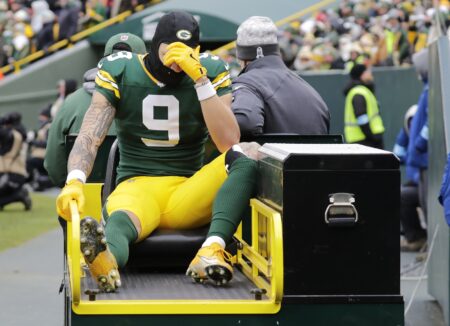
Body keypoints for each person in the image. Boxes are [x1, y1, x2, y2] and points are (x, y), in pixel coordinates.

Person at [55, 11, 258, 292]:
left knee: (245, 154)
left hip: (187, 190)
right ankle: (105, 260)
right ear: (155, 44)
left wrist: (200, 81)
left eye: (186, 52)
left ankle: (211, 249)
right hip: (137, 187)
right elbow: (92, 131)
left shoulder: (208, 70)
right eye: (170, 51)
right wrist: (75, 178)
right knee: (120, 224)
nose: (176, 63)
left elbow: (227, 141)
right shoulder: (122, 69)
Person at [44, 32, 147, 188]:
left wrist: (72, 185)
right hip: (139, 200)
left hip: (82, 201)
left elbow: (53, 166)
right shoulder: (157, 101)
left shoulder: (72, 102)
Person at [231, 16, 330, 141]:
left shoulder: (247, 82)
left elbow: (244, 122)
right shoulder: (311, 92)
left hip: (271, 160)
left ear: (242, 57)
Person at [343, 63, 385, 149]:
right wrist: (372, 137)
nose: (370, 73)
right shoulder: (359, 92)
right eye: (367, 71)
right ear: (361, 75)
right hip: (365, 142)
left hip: (365, 141)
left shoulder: (362, 90)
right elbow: (361, 116)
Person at [0, 115, 32, 210]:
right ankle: (18, 194)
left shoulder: (11, 134)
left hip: (11, 174)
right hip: (16, 173)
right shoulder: (18, 134)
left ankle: (19, 195)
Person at [27, 105, 53, 191]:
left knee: (29, 163)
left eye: (42, 116)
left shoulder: (49, 127)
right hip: (39, 155)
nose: (40, 118)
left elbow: (48, 143)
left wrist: (33, 142)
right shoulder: (44, 127)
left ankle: (34, 182)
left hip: (44, 156)